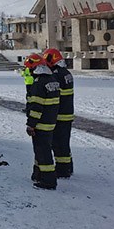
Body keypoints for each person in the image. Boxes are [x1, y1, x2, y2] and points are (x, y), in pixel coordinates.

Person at [24, 53, 60, 190]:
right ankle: (38, 174)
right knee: (41, 151)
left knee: (43, 152)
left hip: (41, 124)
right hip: (51, 122)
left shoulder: (38, 84)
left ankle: (48, 181)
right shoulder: (52, 80)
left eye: (30, 69)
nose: (29, 72)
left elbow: (36, 107)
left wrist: (31, 125)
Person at [44, 48, 74, 177]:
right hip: (67, 113)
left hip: (60, 115)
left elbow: (54, 95)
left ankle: (62, 170)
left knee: (58, 143)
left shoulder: (56, 75)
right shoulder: (66, 73)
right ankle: (68, 166)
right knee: (64, 143)